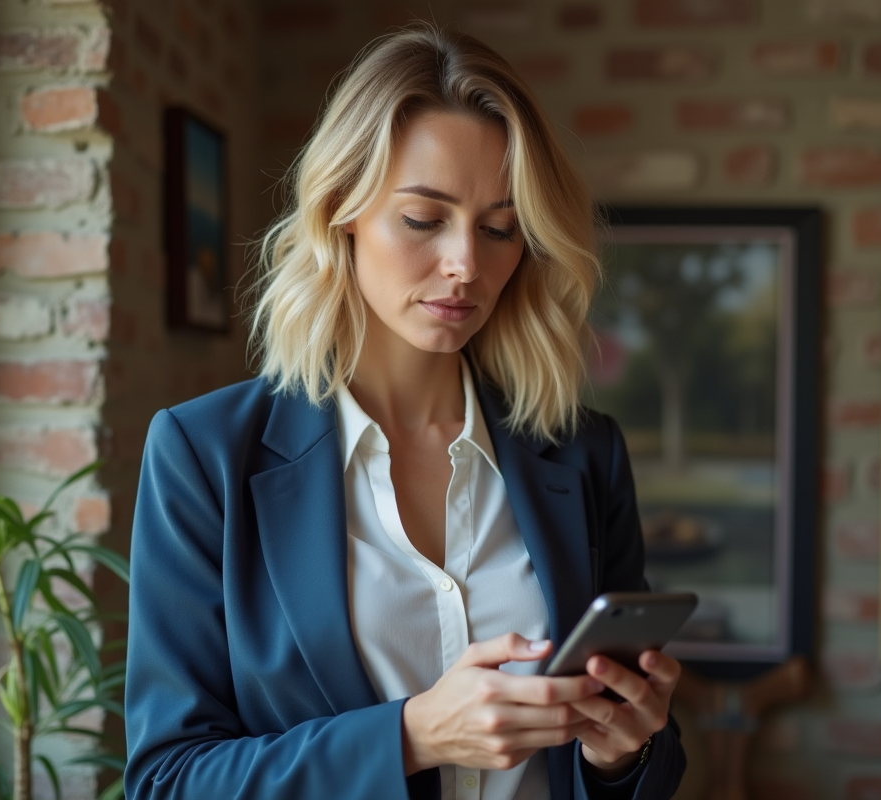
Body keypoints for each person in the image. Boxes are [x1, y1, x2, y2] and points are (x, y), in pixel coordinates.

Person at [124, 24, 687, 800]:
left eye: (499, 228)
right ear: (340, 212)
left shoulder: (584, 454)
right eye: (424, 219)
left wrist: (620, 756)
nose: (466, 265)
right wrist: (412, 737)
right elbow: (168, 780)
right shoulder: (203, 453)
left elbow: (644, 772)